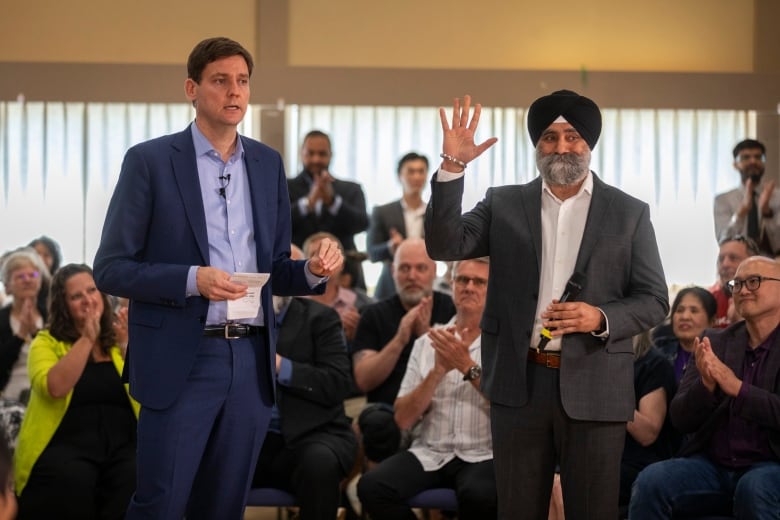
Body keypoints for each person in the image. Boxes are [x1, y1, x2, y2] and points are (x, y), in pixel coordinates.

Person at [92, 37, 343, 519]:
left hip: (250, 360)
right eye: (220, 80)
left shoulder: (268, 164)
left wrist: (310, 270)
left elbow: (272, 269)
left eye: (243, 81)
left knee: (224, 507)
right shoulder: (150, 161)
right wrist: (193, 279)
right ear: (192, 88)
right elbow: (111, 267)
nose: (234, 92)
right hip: (182, 359)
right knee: (161, 505)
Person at [424, 92, 669, 519]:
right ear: (536, 146)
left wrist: (601, 317)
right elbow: (445, 244)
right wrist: (453, 166)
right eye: (550, 137)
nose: (561, 147)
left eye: (572, 136)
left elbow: (654, 300)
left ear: (589, 144)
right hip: (520, 384)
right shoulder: (503, 203)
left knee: (592, 511)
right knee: (517, 510)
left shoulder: (629, 213)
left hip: (596, 383)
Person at [629, 256, 780, 519]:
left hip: (770, 465)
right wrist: (706, 386)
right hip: (713, 465)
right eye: (737, 283)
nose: (743, 290)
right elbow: (679, 418)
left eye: (754, 282)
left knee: (753, 488)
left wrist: (737, 388)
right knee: (651, 481)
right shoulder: (716, 341)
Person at [358, 258, 496, 520]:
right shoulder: (426, 343)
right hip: (431, 451)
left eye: (479, 281)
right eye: (462, 279)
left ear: (495, 289)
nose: (469, 286)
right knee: (372, 487)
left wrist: (466, 366)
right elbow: (402, 419)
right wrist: (437, 372)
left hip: (484, 453)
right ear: (451, 284)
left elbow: (510, 405)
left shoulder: (504, 344)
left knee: (480, 494)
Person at [14, 264, 139, 519]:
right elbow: (55, 388)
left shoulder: (116, 342)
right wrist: (86, 340)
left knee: (135, 475)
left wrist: (127, 345)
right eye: (76, 296)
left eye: (92, 290)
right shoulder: (46, 342)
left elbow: (143, 393)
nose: (87, 300)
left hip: (122, 445)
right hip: (66, 445)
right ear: (63, 305)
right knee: (72, 480)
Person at [252, 286, 357, 520]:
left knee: (319, 463)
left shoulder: (321, 318)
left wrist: (281, 367)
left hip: (312, 432)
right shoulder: (233, 318)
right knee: (210, 457)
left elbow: (337, 383)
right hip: (250, 436)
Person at [352, 238, 455, 464]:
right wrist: (400, 339)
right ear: (393, 271)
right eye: (405, 268)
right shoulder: (374, 314)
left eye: (420, 268)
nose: (412, 276)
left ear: (434, 271)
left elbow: (458, 368)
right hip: (386, 410)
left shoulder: (453, 309)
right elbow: (363, 380)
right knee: (377, 425)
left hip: (441, 410)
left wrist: (424, 336)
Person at [288, 130, 370, 289]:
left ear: (331, 155)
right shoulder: (285, 186)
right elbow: (277, 224)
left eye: (322, 154)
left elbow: (362, 223)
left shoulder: (350, 189)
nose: (316, 159)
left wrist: (333, 202)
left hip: (346, 276)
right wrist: (308, 203)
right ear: (301, 153)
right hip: (298, 272)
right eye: (310, 153)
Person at [619, 330, 678, 511]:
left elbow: (647, 434)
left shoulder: (654, 364)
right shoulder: (593, 364)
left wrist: (611, 395)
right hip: (598, 453)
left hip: (637, 462)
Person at [367, 152, 429, 300]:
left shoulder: (434, 214)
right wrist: (390, 247)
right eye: (411, 171)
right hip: (390, 288)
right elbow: (371, 253)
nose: (416, 177)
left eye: (421, 171)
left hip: (425, 287)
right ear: (400, 176)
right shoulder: (382, 212)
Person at [302, 232, 374, 346]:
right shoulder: (291, 303)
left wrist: (358, 335)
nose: (322, 260)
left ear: (342, 264)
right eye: (314, 255)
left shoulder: (365, 304)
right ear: (304, 264)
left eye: (329, 254)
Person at [714, 139, 780, 255]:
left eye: (758, 157)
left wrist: (767, 212)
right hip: (736, 268)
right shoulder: (722, 200)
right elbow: (723, 240)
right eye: (746, 157)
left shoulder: (777, 197)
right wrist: (742, 211)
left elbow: (778, 245)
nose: (753, 161)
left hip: (772, 267)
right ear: (735, 164)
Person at [0, 248, 49, 403]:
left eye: (33, 275)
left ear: (40, 281)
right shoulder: (1, 319)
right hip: (8, 399)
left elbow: (58, 358)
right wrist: (20, 335)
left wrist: (35, 332)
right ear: (7, 286)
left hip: (47, 396)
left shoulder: (52, 316)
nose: (27, 279)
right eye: (20, 276)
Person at [654, 287, 718, 383]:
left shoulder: (723, 356)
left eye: (694, 311)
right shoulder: (659, 350)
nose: (685, 317)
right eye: (680, 310)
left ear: (712, 321)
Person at [709, 235, 759, 328]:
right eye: (721, 259)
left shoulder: (767, 298)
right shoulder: (710, 301)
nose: (725, 264)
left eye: (733, 258)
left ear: (753, 262)